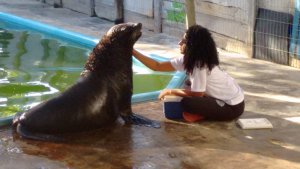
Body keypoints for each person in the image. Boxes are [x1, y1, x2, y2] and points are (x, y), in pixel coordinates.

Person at [132, 25, 244, 122]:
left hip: (232, 107)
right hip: (227, 99)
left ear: (193, 45)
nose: (179, 43)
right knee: (187, 83)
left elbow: (197, 95)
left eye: (184, 41)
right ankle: (202, 112)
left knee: (188, 103)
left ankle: (202, 115)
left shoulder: (200, 65)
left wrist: (170, 91)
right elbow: (157, 66)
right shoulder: (189, 59)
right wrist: (133, 52)